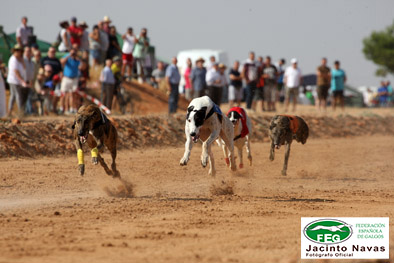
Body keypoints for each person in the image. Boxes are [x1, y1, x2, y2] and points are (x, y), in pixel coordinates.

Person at [7, 44, 28, 116]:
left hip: (17, 81)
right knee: (17, 95)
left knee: (13, 95)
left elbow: (24, 68)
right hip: (14, 80)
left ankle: (10, 111)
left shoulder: (19, 59)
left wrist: (22, 60)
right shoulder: (13, 59)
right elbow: (16, 71)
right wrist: (22, 81)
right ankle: (20, 112)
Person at [60, 48, 80, 114]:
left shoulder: (77, 59)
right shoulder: (67, 57)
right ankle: (62, 108)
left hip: (74, 78)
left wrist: (77, 57)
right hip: (66, 78)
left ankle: (72, 108)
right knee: (63, 94)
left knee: (72, 94)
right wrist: (69, 55)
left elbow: (83, 66)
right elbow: (62, 61)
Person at [23, 47, 35, 115]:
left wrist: (31, 81)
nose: (28, 52)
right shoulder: (23, 60)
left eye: (29, 51)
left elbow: (31, 72)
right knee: (24, 97)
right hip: (23, 81)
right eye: (27, 51)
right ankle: (27, 111)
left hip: (29, 81)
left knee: (29, 96)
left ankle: (29, 111)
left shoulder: (31, 61)